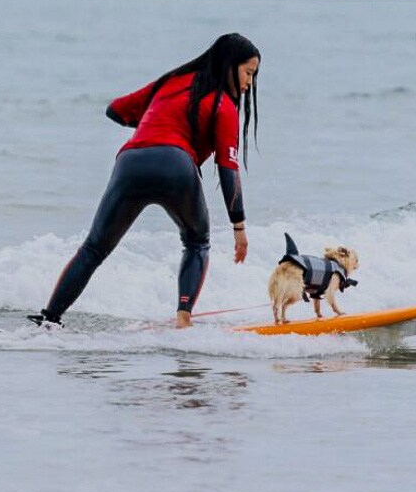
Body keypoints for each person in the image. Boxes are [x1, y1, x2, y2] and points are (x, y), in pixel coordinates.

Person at [32, 33, 260, 330]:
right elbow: (228, 170)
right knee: (197, 241)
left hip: (130, 162)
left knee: (94, 249)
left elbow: (115, 110)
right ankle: (183, 319)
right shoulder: (223, 105)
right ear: (230, 66)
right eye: (248, 73)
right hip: (177, 165)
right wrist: (239, 228)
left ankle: (49, 319)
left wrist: (157, 121)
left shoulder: (169, 83)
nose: (249, 84)